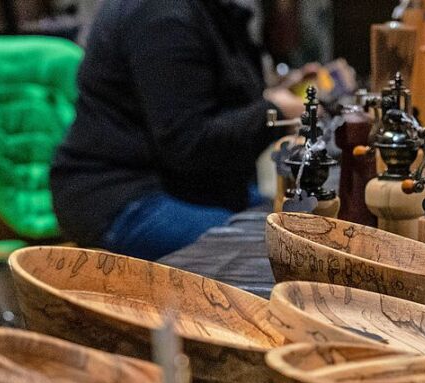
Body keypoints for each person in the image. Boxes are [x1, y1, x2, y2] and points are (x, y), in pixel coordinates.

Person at [50, 0, 305, 259]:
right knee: (276, 250)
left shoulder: (202, 12)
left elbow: (210, 98)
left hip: (184, 186)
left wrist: (281, 92)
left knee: (301, 227)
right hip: (118, 196)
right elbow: (188, 143)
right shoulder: (161, 16)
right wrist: (274, 111)